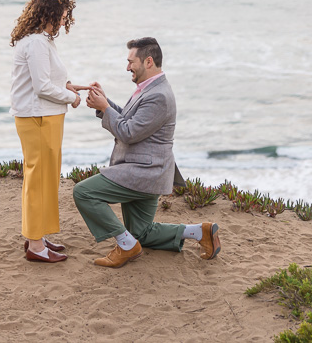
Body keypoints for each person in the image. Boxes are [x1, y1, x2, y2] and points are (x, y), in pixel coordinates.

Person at [73, 37, 221, 268]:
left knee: (84, 193)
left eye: (131, 61)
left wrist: (104, 108)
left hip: (143, 172)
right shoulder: (149, 88)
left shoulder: (159, 95)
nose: (127, 67)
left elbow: (129, 132)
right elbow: (131, 120)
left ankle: (125, 245)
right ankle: (199, 232)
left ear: (148, 61)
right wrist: (106, 104)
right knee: (141, 233)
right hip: (148, 170)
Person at [10, 0, 87, 263]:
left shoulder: (42, 41)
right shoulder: (36, 43)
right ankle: (34, 244)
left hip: (46, 116)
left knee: (47, 179)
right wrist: (72, 98)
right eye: (63, 15)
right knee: (38, 180)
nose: (65, 20)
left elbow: (47, 80)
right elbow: (41, 87)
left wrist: (70, 87)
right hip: (37, 117)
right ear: (49, 14)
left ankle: (39, 237)